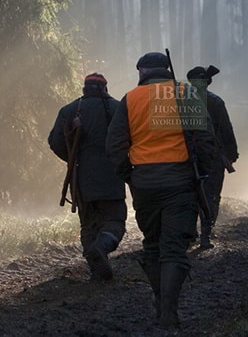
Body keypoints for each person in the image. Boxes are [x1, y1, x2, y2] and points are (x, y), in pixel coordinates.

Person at [106, 52, 215, 329]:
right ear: (166, 69)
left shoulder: (130, 99)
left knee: (153, 245)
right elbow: (205, 140)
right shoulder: (186, 92)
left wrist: (129, 176)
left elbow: (115, 144)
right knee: (175, 248)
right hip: (180, 182)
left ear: (141, 71)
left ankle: (160, 301)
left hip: (144, 185)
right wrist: (201, 173)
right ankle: (168, 310)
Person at [47, 73, 127, 281]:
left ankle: (96, 270)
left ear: (84, 89)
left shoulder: (68, 110)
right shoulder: (119, 108)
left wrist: (73, 159)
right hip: (112, 177)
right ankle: (101, 248)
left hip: (81, 179)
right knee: (114, 221)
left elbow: (55, 142)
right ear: (105, 88)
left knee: (88, 224)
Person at [186, 65, 238, 249]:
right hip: (212, 156)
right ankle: (206, 234)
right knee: (212, 194)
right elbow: (226, 129)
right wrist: (232, 153)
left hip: (187, 157)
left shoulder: (181, 102)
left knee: (190, 195)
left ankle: (191, 232)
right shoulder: (215, 101)